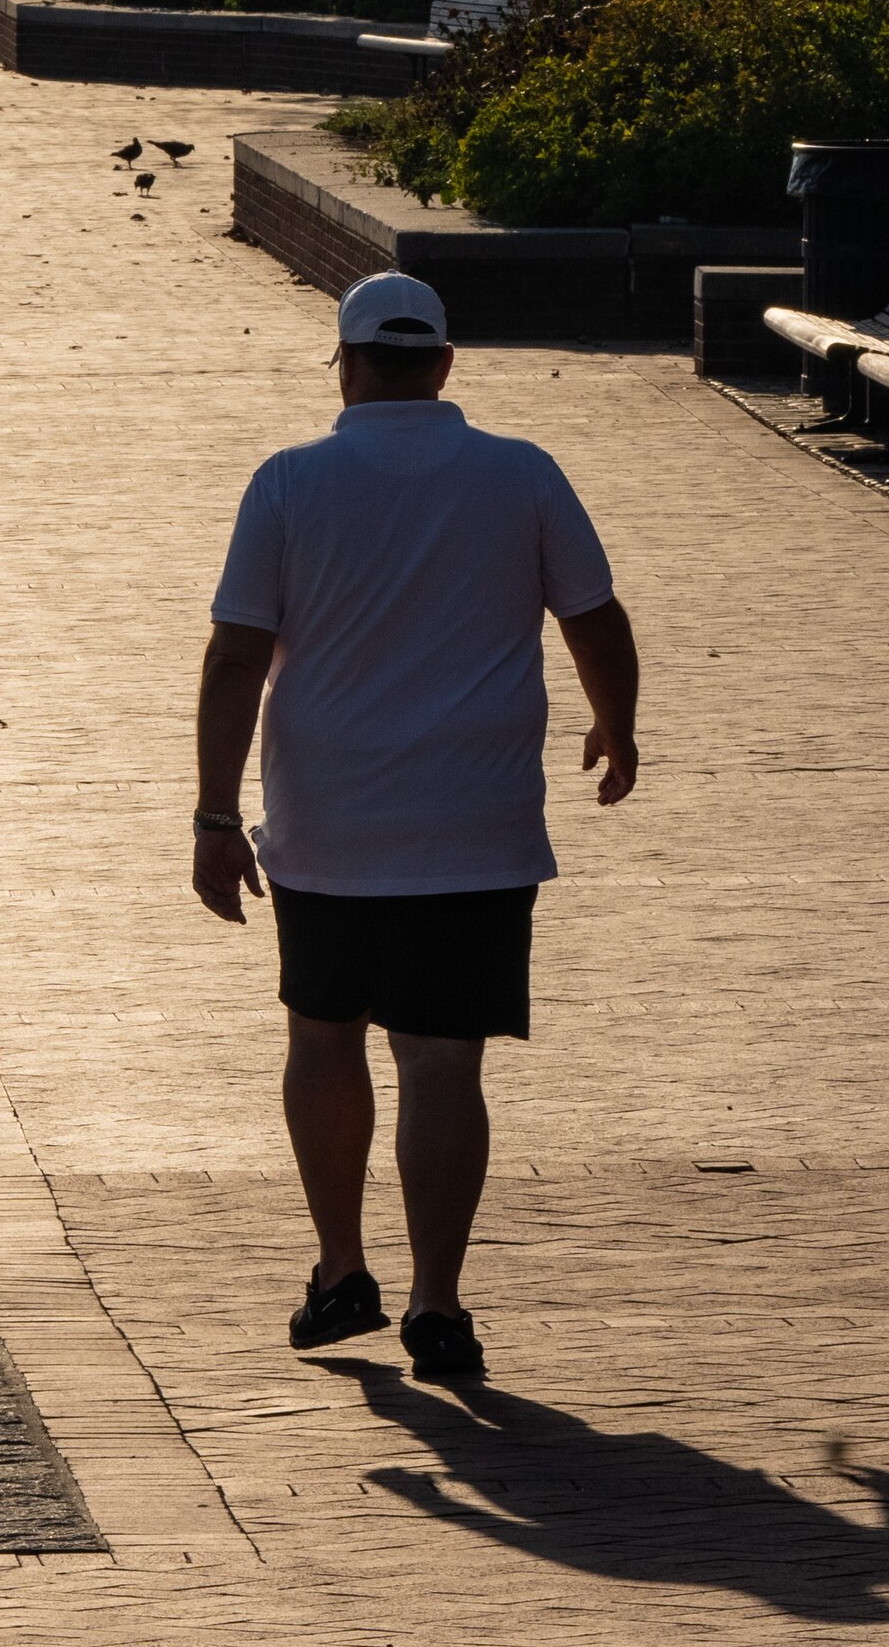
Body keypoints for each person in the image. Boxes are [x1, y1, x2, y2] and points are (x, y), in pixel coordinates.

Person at [191, 271, 639, 1383]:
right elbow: (592, 614)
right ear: (443, 363)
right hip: (473, 825)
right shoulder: (519, 473)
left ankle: (339, 1267)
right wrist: (615, 727)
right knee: (442, 1063)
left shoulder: (289, 482)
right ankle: (438, 1302)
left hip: (324, 824)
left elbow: (235, 654)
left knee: (322, 1034)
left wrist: (211, 812)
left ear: (342, 364)